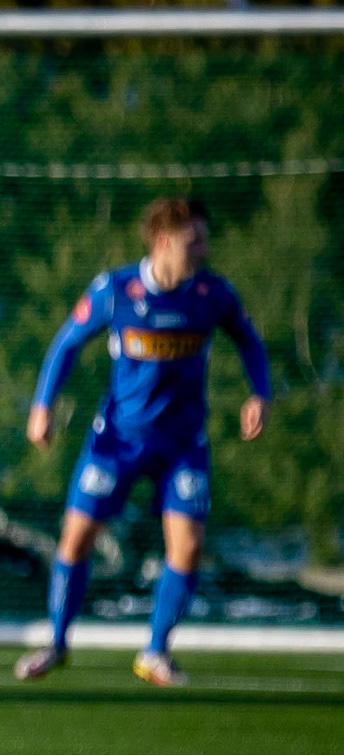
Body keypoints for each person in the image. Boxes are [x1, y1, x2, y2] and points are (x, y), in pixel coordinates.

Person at [15, 197, 270, 687]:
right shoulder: (116, 290)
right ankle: (57, 642)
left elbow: (249, 341)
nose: (205, 247)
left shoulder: (212, 294)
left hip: (183, 446)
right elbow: (67, 343)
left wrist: (260, 394)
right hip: (117, 441)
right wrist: (42, 406)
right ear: (163, 241)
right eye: (195, 238)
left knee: (188, 548)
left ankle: (155, 652)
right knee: (75, 538)